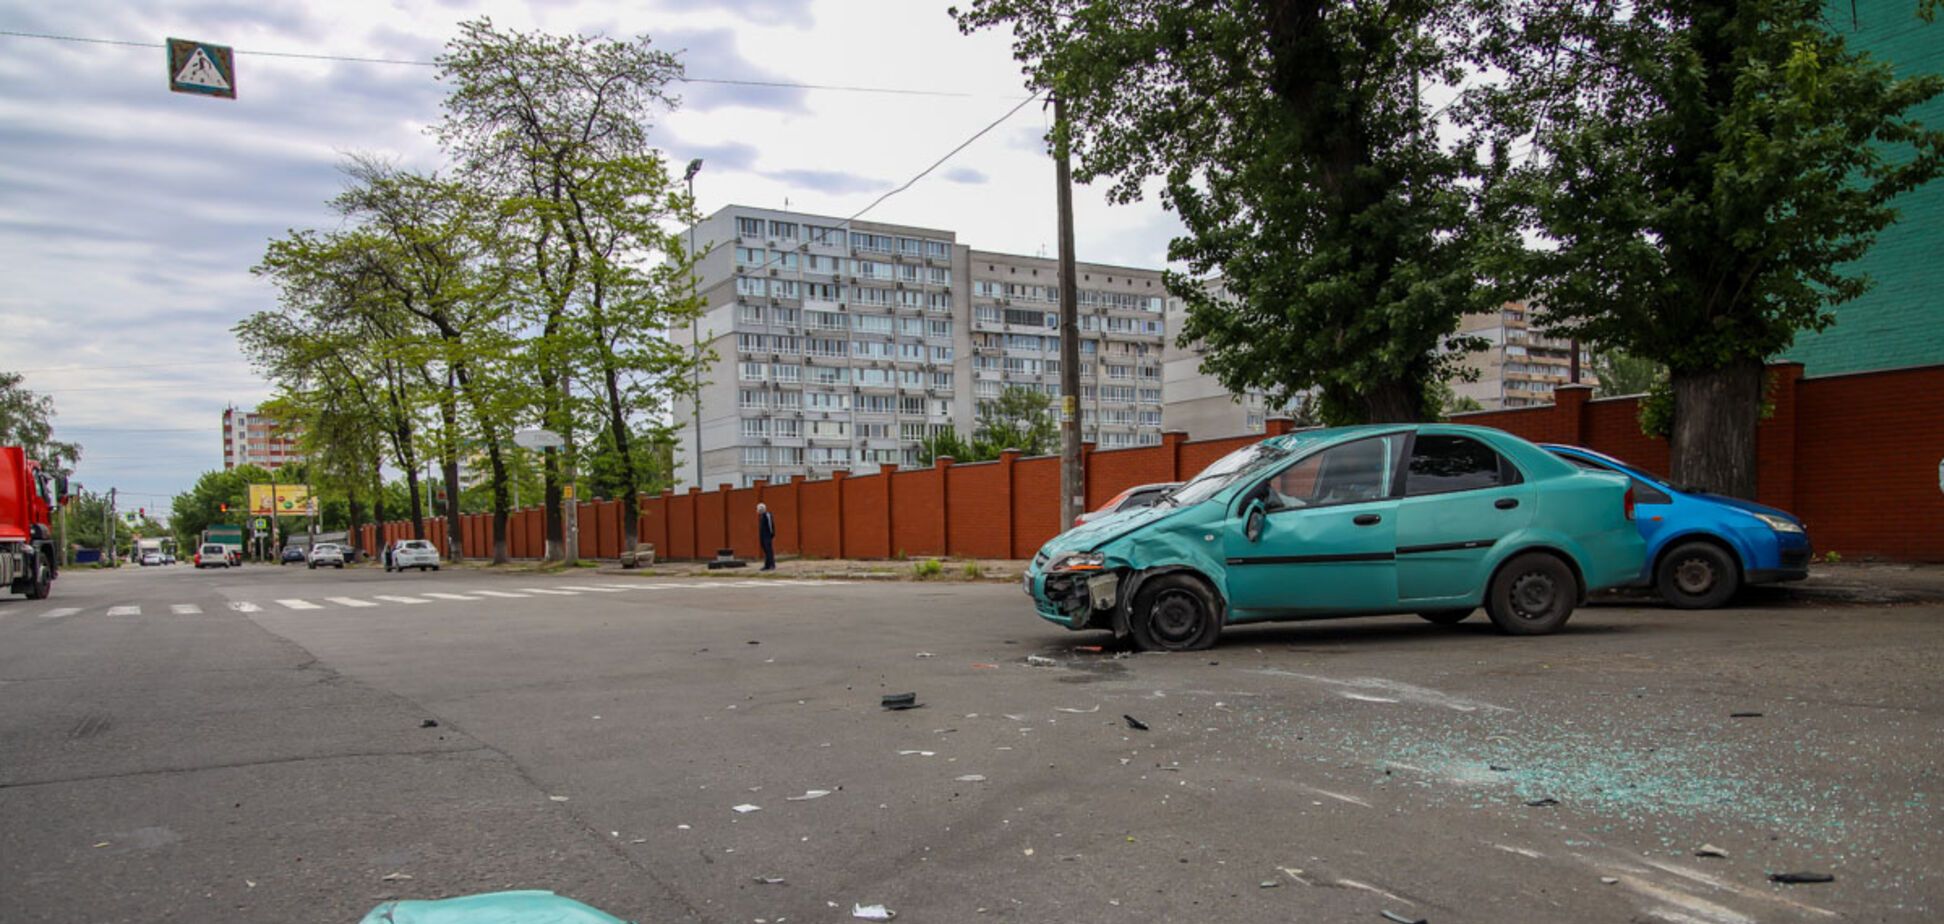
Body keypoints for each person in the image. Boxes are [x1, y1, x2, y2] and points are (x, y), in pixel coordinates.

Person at [757, 502, 776, 571]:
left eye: (759, 509)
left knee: (769, 551)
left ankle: (772, 565)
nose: (758, 511)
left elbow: (770, 525)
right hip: (763, 536)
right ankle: (767, 565)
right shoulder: (761, 516)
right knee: (766, 551)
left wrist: (771, 534)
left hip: (767, 536)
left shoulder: (767, 515)